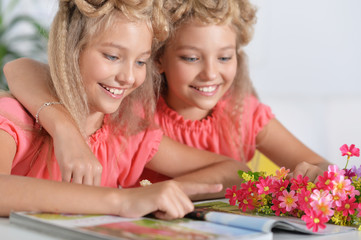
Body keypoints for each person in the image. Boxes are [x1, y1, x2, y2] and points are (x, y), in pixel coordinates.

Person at [5, 0, 328, 186]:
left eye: (225, 57)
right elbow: (20, 67)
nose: (211, 73)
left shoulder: (244, 114)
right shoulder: (133, 110)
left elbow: (313, 164)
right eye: (190, 57)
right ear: (160, 60)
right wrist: (64, 129)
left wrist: (320, 175)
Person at [0, 0, 244, 218]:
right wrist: (122, 201)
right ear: (71, 49)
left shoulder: (126, 135)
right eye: (112, 56)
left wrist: (166, 193)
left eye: (140, 62)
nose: (128, 77)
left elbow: (236, 172)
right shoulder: (14, 119)